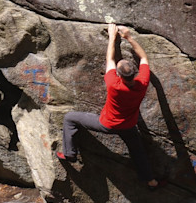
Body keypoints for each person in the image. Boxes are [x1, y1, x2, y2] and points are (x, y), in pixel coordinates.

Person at [57, 23, 164, 189]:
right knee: (138, 152)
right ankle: (151, 180)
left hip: (106, 124)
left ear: (119, 75)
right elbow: (143, 58)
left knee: (69, 118)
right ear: (134, 73)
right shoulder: (142, 83)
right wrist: (129, 37)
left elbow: (109, 59)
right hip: (129, 125)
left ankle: (70, 153)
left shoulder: (113, 84)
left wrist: (112, 37)